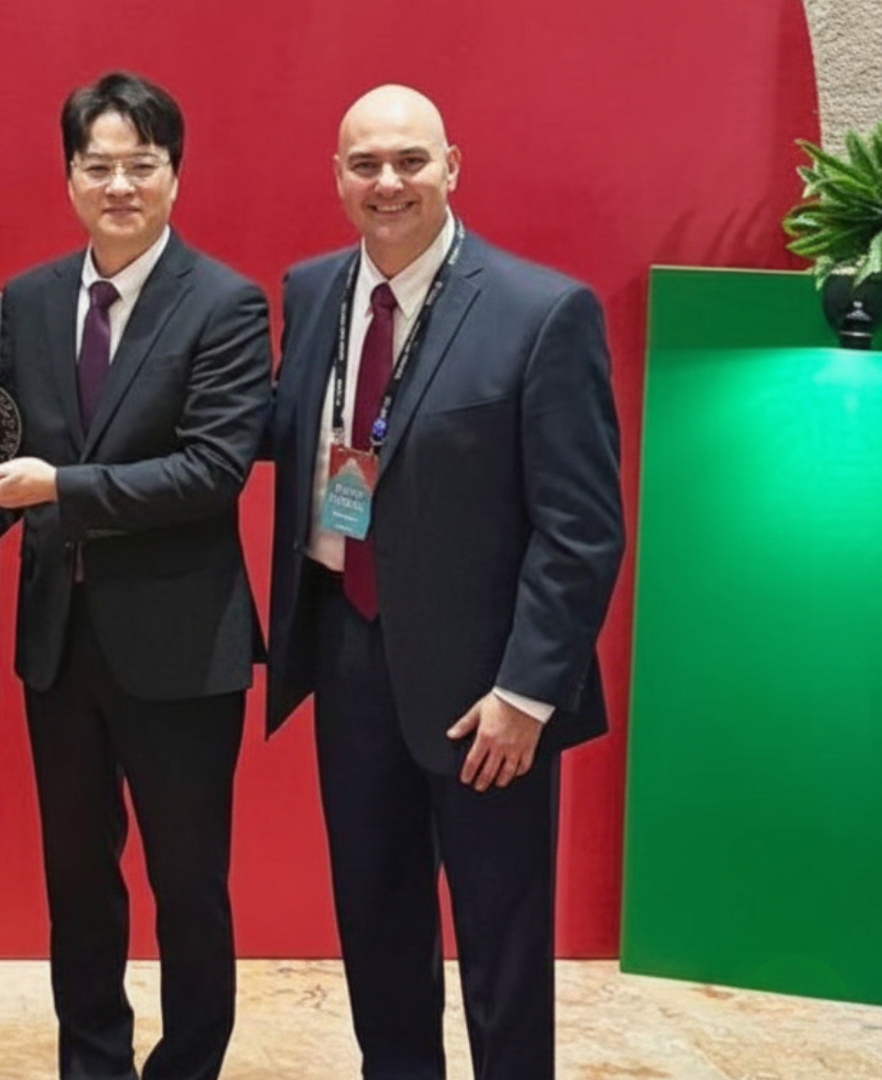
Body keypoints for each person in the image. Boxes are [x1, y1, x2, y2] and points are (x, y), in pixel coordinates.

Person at [264, 84, 625, 1080]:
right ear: (337, 176)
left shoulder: (541, 311)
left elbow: (583, 528)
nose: (389, 183)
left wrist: (527, 693)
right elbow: (294, 437)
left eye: (410, 161)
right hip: (347, 651)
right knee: (377, 924)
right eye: (366, 164)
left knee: (502, 947)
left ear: (452, 166)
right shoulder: (311, 291)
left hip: (487, 692)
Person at [0, 71, 271, 1080]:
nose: (121, 185)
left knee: (190, 882)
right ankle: (92, 1061)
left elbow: (214, 470)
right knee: (76, 882)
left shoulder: (226, 303)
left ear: (175, 176)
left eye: (142, 164)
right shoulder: (33, 299)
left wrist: (58, 485)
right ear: (70, 178)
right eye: (99, 166)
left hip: (182, 646)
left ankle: (188, 1063)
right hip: (60, 642)